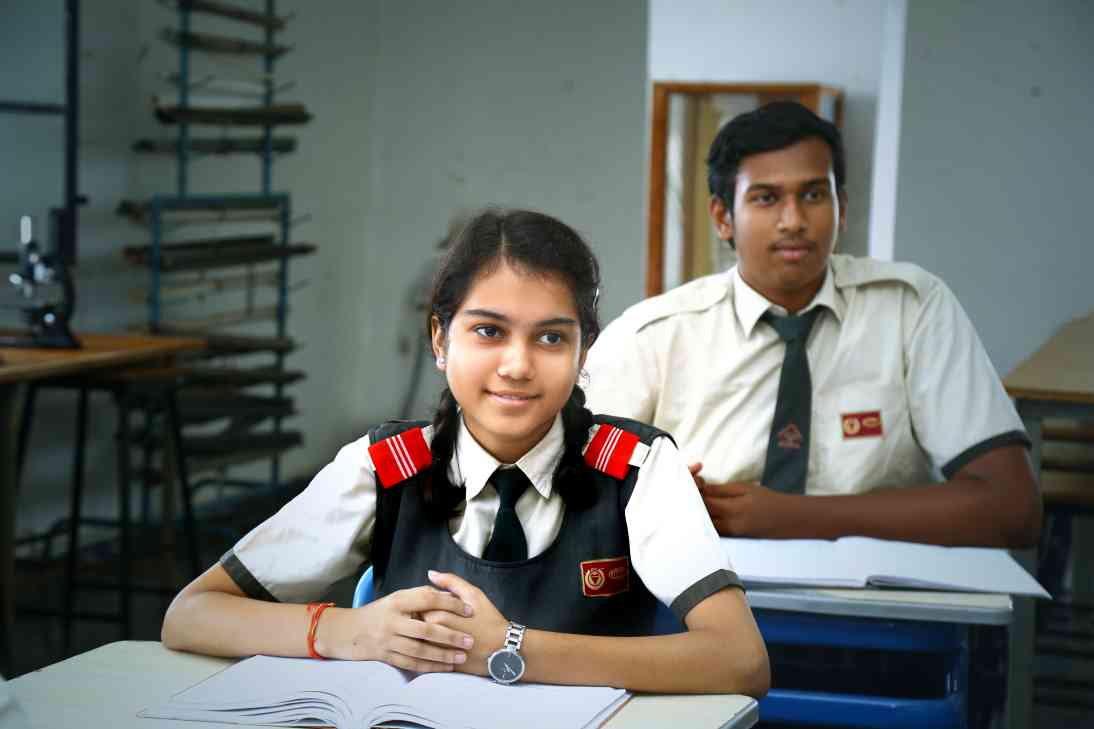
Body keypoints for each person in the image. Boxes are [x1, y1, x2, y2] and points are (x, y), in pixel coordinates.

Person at [162, 208, 769, 697]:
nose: (517, 365)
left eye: (551, 337)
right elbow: (191, 615)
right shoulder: (387, 465)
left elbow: (740, 660)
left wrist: (509, 648)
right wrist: (349, 630)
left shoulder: (637, 466)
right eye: (488, 331)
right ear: (439, 339)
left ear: (583, 353)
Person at [584, 101, 1040, 548]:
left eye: (813, 195)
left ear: (841, 207)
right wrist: (653, 498)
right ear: (723, 217)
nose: (794, 222)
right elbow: (568, 487)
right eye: (766, 198)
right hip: (698, 582)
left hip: (879, 590)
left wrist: (792, 518)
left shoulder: (911, 308)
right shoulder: (654, 334)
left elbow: (1012, 508)